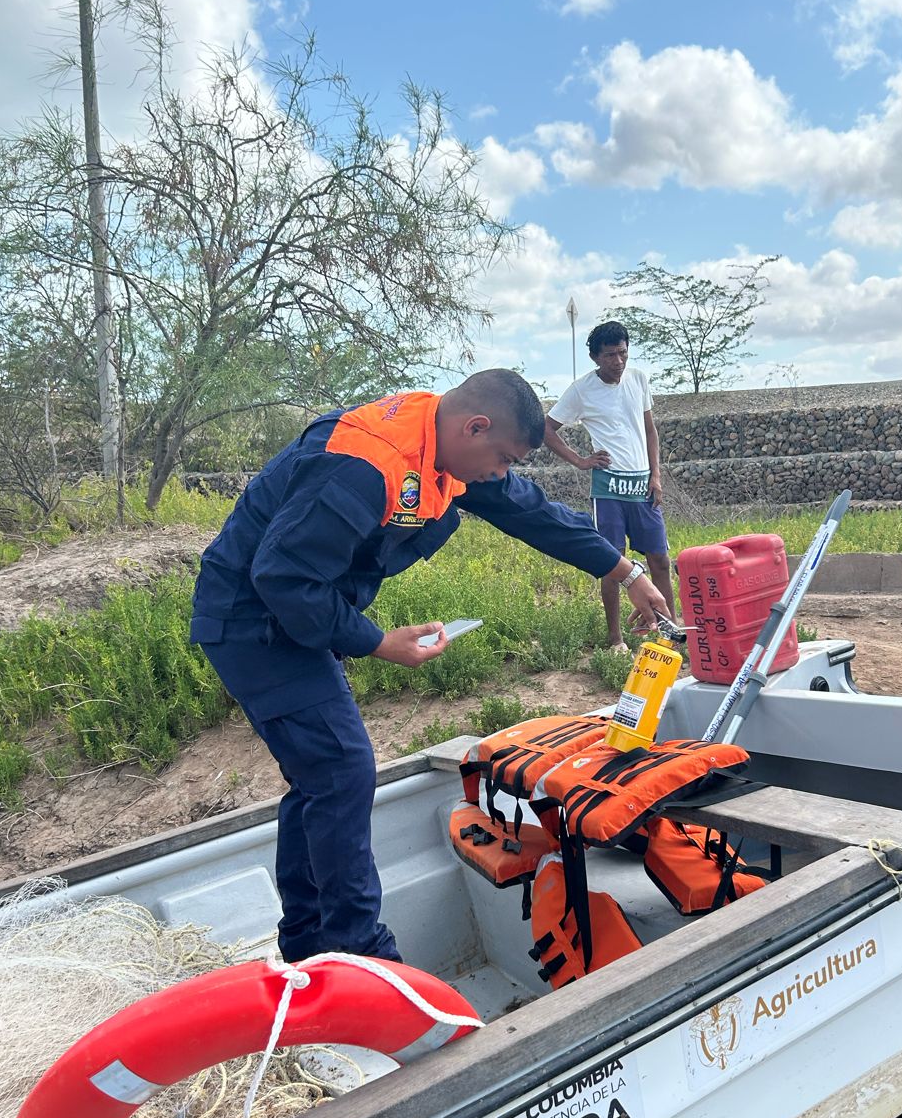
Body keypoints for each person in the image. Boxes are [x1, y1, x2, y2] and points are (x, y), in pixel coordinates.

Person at [190, 369, 669, 963]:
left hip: (296, 611)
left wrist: (628, 572)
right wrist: (376, 641)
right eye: (500, 458)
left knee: (322, 776)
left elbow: (532, 510)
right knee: (341, 770)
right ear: (475, 426)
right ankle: (360, 954)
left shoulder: (443, 445)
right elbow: (283, 578)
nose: (500, 474)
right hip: (252, 620)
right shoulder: (366, 465)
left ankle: (309, 947)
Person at [543, 320, 674, 651]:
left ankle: (670, 632)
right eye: (610, 355)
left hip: (642, 485)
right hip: (609, 488)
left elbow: (649, 431)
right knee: (612, 563)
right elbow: (547, 428)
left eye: (623, 353)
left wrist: (655, 475)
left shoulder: (638, 379)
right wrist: (580, 460)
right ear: (595, 358)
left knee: (660, 560)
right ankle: (615, 640)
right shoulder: (581, 390)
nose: (618, 362)